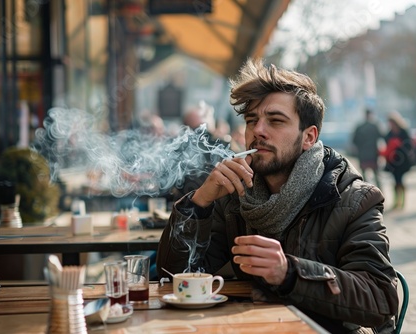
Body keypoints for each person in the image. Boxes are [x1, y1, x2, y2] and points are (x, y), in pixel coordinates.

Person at [157, 58, 398, 333]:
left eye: (275, 121)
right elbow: (172, 278)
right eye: (252, 120)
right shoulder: (235, 194)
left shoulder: (353, 199)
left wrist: (290, 273)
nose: (258, 130)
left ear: (309, 137)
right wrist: (198, 203)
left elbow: (381, 299)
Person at [380, 111, 414, 210]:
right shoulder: (389, 133)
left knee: (400, 180)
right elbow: (385, 144)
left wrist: (399, 145)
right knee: (395, 181)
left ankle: (402, 201)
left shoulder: (403, 132)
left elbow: (409, 145)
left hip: (402, 161)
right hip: (393, 161)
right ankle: (396, 201)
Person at [352, 109, 384, 189]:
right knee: (376, 176)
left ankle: (366, 194)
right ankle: (380, 192)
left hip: (363, 155)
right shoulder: (375, 126)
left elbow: (354, 140)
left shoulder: (359, 127)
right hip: (373, 154)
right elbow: (382, 136)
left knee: (364, 177)